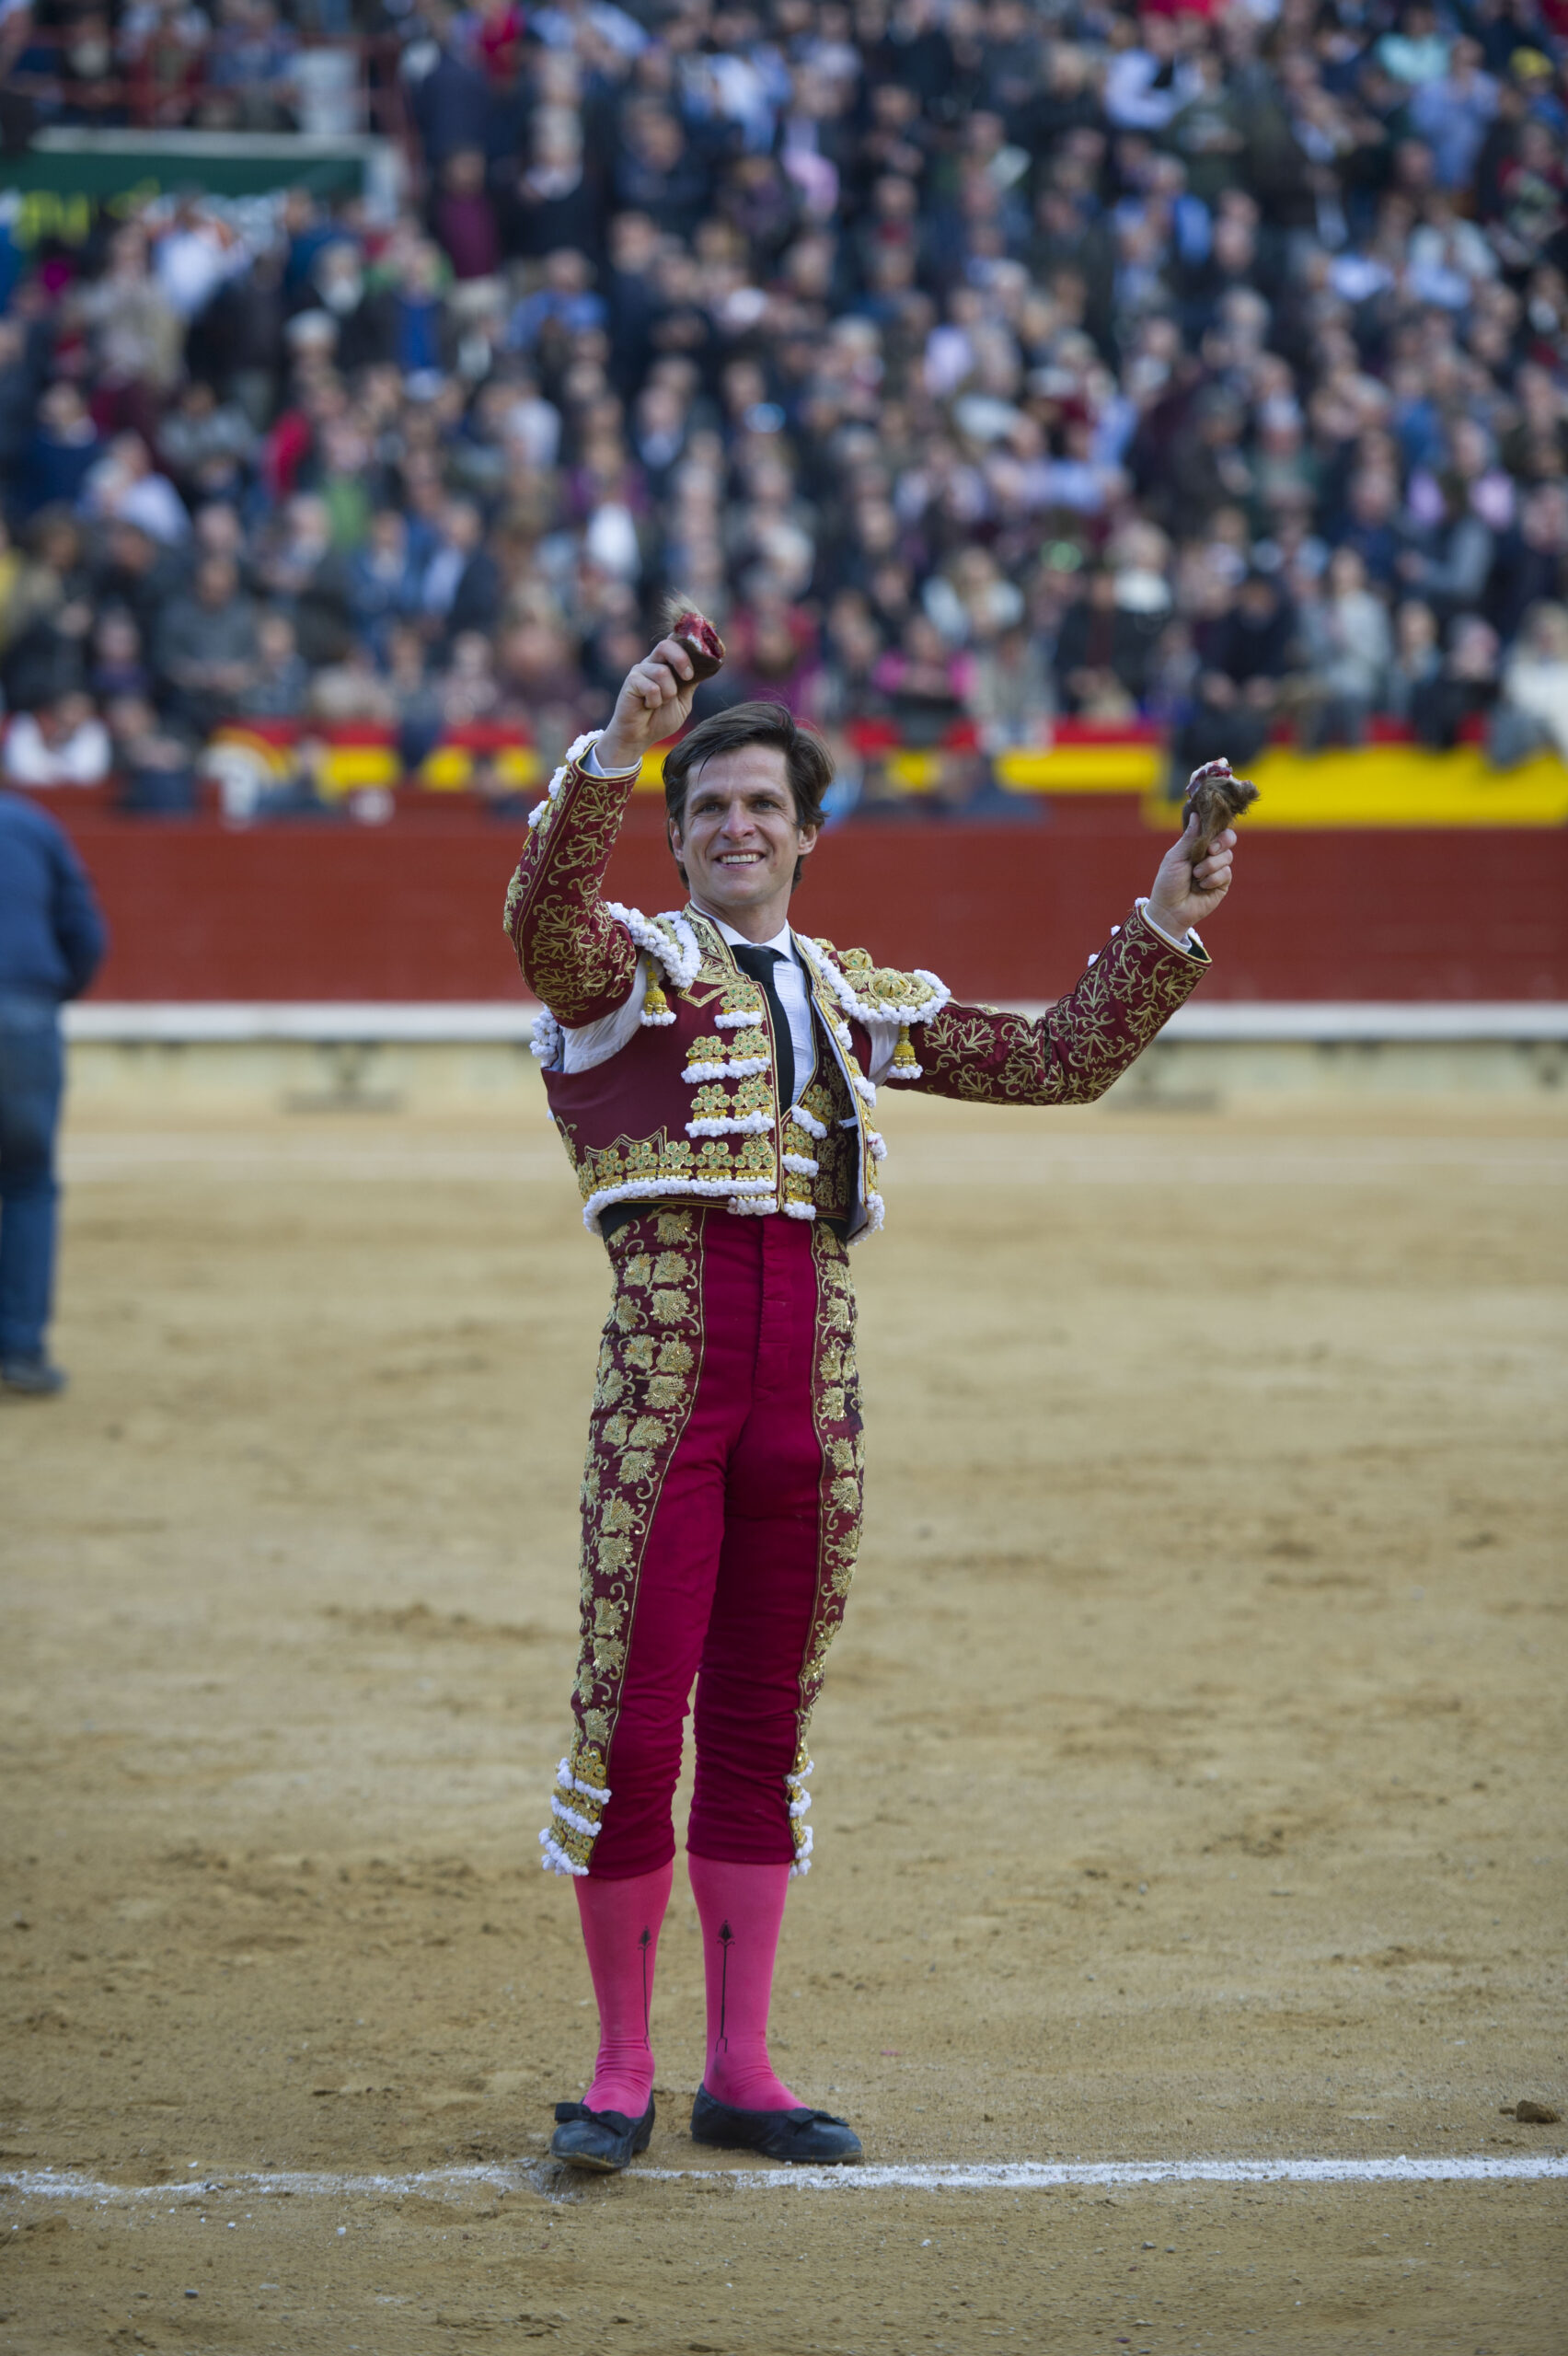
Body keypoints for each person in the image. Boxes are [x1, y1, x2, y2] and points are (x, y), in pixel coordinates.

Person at [503, 624, 1238, 2173]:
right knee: (632, 1726)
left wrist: (1163, 921)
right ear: (679, 826)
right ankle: (622, 2069)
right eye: (706, 807)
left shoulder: (847, 999)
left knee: (760, 1726)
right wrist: (618, 746)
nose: (734, 828)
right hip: (665, 1397)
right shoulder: (622, 972)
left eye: (761, 804)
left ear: (806, 830)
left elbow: (1049, 1060)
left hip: (807, 1402)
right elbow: (540, 920)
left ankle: (741, 2069)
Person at [0, 788, 107, 1393]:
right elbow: (84, 932)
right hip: (23, 1019)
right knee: (26, 1181)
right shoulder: (31, 825)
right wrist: (41, 1001)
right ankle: (19, 1352)